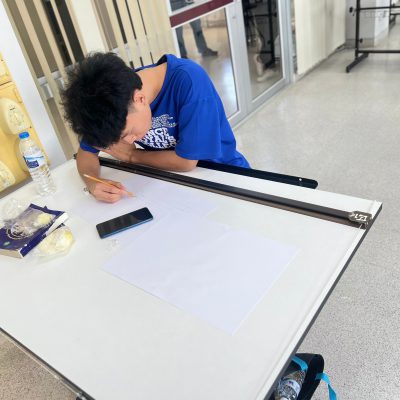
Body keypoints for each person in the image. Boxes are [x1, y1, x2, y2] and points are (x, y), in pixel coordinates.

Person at [61, 52, 249, 203]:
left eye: (128, 133)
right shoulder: (109, 105)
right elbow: (86, 153)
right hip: (175, 186)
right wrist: (93, 183)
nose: (129, 141)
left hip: (225, 177)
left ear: (140, 99)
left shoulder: (189, 82)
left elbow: (187, 162)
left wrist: (132, 156)